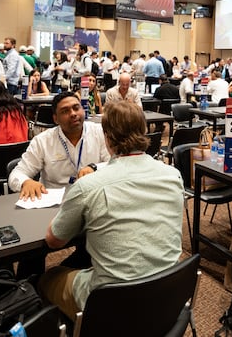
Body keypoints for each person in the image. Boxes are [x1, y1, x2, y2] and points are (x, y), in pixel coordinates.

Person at [37, 101, 184, 321]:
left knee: (47, 278)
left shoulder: (88, 187)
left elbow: (54, 241)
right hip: (166, 293)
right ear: (144, 131)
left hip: (109, 303)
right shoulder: (173, 175)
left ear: (107, 137)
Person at [9, 91, 110, 198]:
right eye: (65, 111)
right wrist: (26, 182)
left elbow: (116, 164)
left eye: (76, 108)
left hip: (93, 195)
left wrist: (94, 167)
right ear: (55, 119)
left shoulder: (100, 132)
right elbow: (16, 174)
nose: (73, 114)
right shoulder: (43, 141)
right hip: (55, 201)